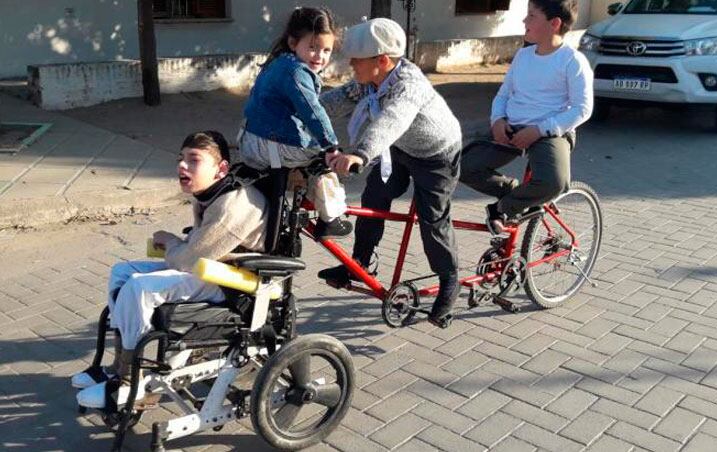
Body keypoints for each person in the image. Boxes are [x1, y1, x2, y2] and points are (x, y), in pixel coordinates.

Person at [71, 131, 268, 408]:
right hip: (209, 267)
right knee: (121, 272)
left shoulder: (234, 205)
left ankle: (131, 383)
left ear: (221, 168)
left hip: (235, 282)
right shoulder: (211, 193)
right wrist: (179, 245)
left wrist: (174, 242)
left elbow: (189, 260)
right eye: (181, 158)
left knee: (139, 288)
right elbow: (196, 252)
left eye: (193, 160)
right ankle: (120, 365)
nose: (182, 166)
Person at [317, 18, 463, 327]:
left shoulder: (409, 86)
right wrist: (300, 109)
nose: (351, 65)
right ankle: (360, 261)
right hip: (400, 150)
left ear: (381, 60)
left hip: (436, 155)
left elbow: (392, 121)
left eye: (356, 60)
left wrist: (359, 153)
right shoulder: (371, 79)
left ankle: (450, 282)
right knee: (374, 196)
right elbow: (337, 99)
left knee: (432, 219)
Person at [460, 0, 593, 234]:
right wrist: (498, 120)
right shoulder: (523, 56)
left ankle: (503, 208)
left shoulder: (573, 61)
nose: (524, 21)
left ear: (554, 24)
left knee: (555, 183)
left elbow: (582, 108)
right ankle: (516, 192)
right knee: (463, 167)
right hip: (510, 127)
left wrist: (540, 130)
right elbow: (503, 95)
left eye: (531, 16)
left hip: (550, 133)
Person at [240, 6, 350, 240]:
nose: (319, 56)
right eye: (312, 47)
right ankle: (330, 218)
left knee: (312, 156)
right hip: (273, 145)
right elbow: (312, 110)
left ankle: (298, 200)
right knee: (324, 161)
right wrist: (332, 146)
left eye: (326, 50)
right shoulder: (296, 71)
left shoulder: (277, 63)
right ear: (293, 43)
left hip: (252, 141)